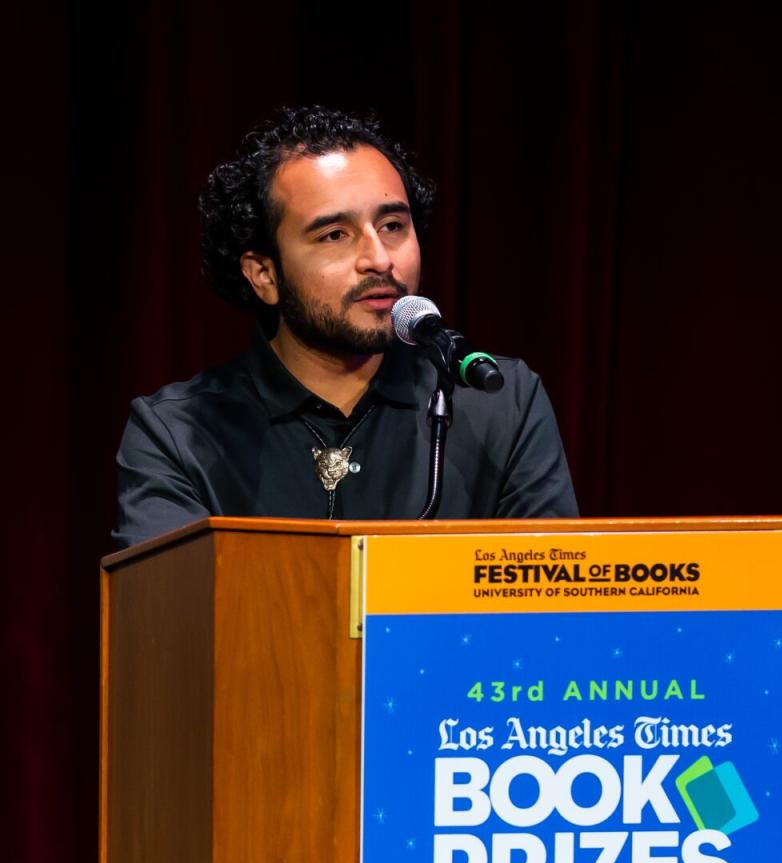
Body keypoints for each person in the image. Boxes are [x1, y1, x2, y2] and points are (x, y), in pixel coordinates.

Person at [113, 105, 578, 548]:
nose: (379, 259)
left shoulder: (500, 404)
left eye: (393, 225)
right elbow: (172, 621)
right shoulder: (178, 434)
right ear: (264, 275)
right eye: (334, 235)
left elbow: (546, 617)